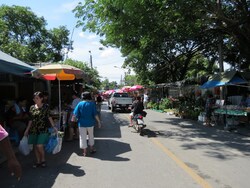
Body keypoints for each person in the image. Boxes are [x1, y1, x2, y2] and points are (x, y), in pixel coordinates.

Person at [24, 91, 57, 168]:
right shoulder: (32, 107)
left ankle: (43, 159)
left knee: (39, 145)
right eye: (34, 98)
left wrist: (54, 126)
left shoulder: (46, 106)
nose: (35, 100)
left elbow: (49, 117)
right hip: (33, 130)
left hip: (43, 129)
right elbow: (30, 120)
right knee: (35, 146)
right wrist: (27, 130)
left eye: (37, 98)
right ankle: (38, 161)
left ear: (41, 98)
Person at [72, 91, 101, 157]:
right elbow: (95, 114)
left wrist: (73, 118)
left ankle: (84, 152)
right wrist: (99, 122)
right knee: (91, 135)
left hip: (81, 123)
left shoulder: (80, 104)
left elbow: (75, 113)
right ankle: (91, 149)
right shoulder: (92, 104)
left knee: (82, 137)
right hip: (90, 123)